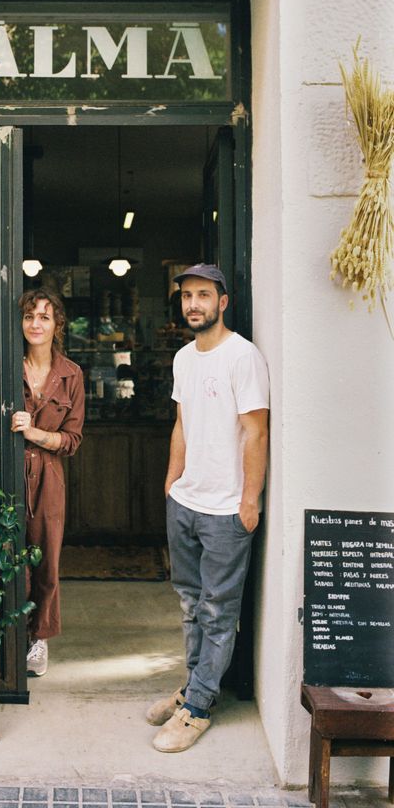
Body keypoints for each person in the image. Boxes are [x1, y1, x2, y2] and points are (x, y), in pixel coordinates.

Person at [147, 263, 269, 753]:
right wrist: (172, 481)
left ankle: (197, 708)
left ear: (223, 301)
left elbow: (256, 432)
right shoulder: (184, 358)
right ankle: (194, 688)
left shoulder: (243, 357)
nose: (193, 304)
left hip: (226, 510)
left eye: (202, 295)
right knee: (190, 604)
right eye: (186, 296)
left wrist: (249, 501)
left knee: (217, 610)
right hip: (186, 502)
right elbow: (182, 423)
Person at [11, 288, 85, 677]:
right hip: (9, 473)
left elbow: (72, 440)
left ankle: (39, 638)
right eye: (29, 316)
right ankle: (11, 635)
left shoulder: (71, 375)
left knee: (45, 562)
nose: (36, 324)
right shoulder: (5, 366)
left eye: (44, 317)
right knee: (12, 559)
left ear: (57, 325)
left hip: (49, 476)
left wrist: (34, 433)